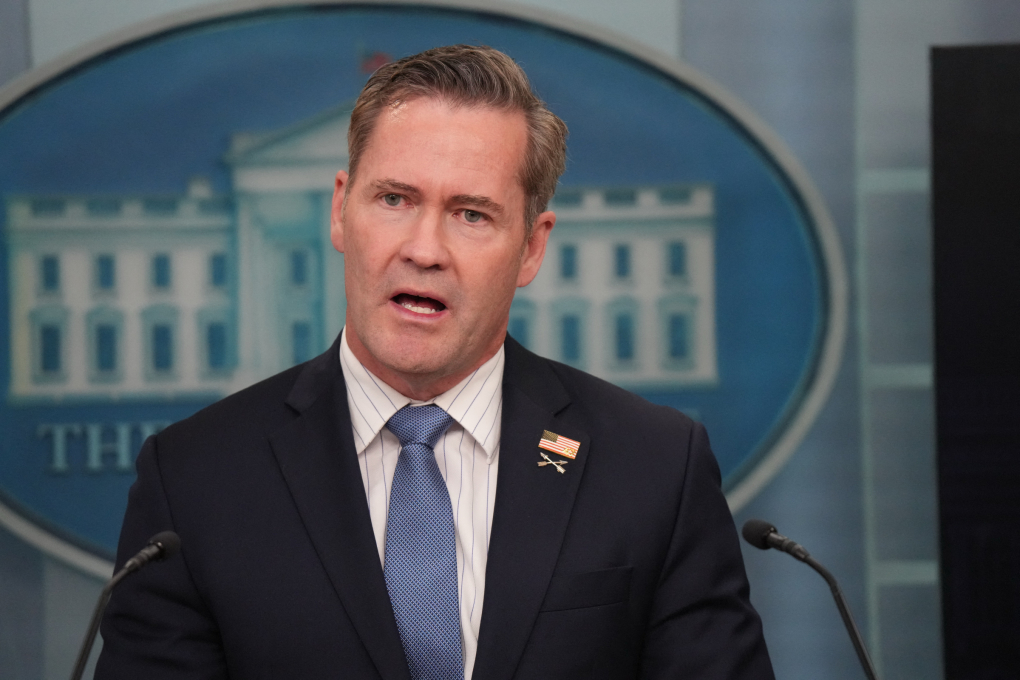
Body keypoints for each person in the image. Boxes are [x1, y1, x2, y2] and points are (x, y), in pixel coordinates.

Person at [96, 44, 774, 679]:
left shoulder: (655, 468)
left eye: (471, 214)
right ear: (341, 210)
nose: (424, 250)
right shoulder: (193, 480)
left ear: (532, 248)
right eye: (395, 199)